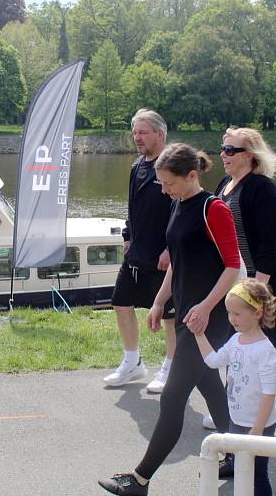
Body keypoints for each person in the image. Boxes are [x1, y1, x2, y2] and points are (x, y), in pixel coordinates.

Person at [99, 143, 241, 495]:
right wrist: (161, 301)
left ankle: (140, 479)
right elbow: (177, 259)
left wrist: (207, 307)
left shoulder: (214, 210)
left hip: (209, 317)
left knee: (173, 398)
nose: (164, 190)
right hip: (187, 313)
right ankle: (241, 452)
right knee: (208, 381)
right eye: (161, 184)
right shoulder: (178, 205)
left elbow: (233, 266)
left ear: (192, 176)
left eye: (169, 184)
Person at [103, 109, 174, 394]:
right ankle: (133, 362)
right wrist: (127, 236)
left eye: (143, 132)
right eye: (135, 132)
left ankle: (171, 367)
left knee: (170, 315)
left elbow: (183, 207)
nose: (137, 137)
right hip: (137, 252)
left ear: (160, 133)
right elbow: (132, 207)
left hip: (164, 256)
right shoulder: (137, 166)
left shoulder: (174, 163)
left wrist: (172, 248)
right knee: (121, 302)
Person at [195, 278, 276, 496]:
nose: (232, 319)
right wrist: (198, 334)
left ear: (257, 313)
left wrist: (258, 429)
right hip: (237, 419)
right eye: (229, 313)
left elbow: (269, 393)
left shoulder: (265, 351)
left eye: (237, 314)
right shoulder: (235, 341)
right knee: (242, 469)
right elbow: (213, 361)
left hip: (259, 424)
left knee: (257, 474)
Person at [214, 127, 276, 346]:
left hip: (256, 284)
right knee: (232, 348)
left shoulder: (263, 189)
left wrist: (255, 293)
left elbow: (269, 245)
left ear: (248, 155)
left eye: (229, 150)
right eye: (222, 149)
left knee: (254, 351)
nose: (223, 155)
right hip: (233, 280)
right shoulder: (225, 184)